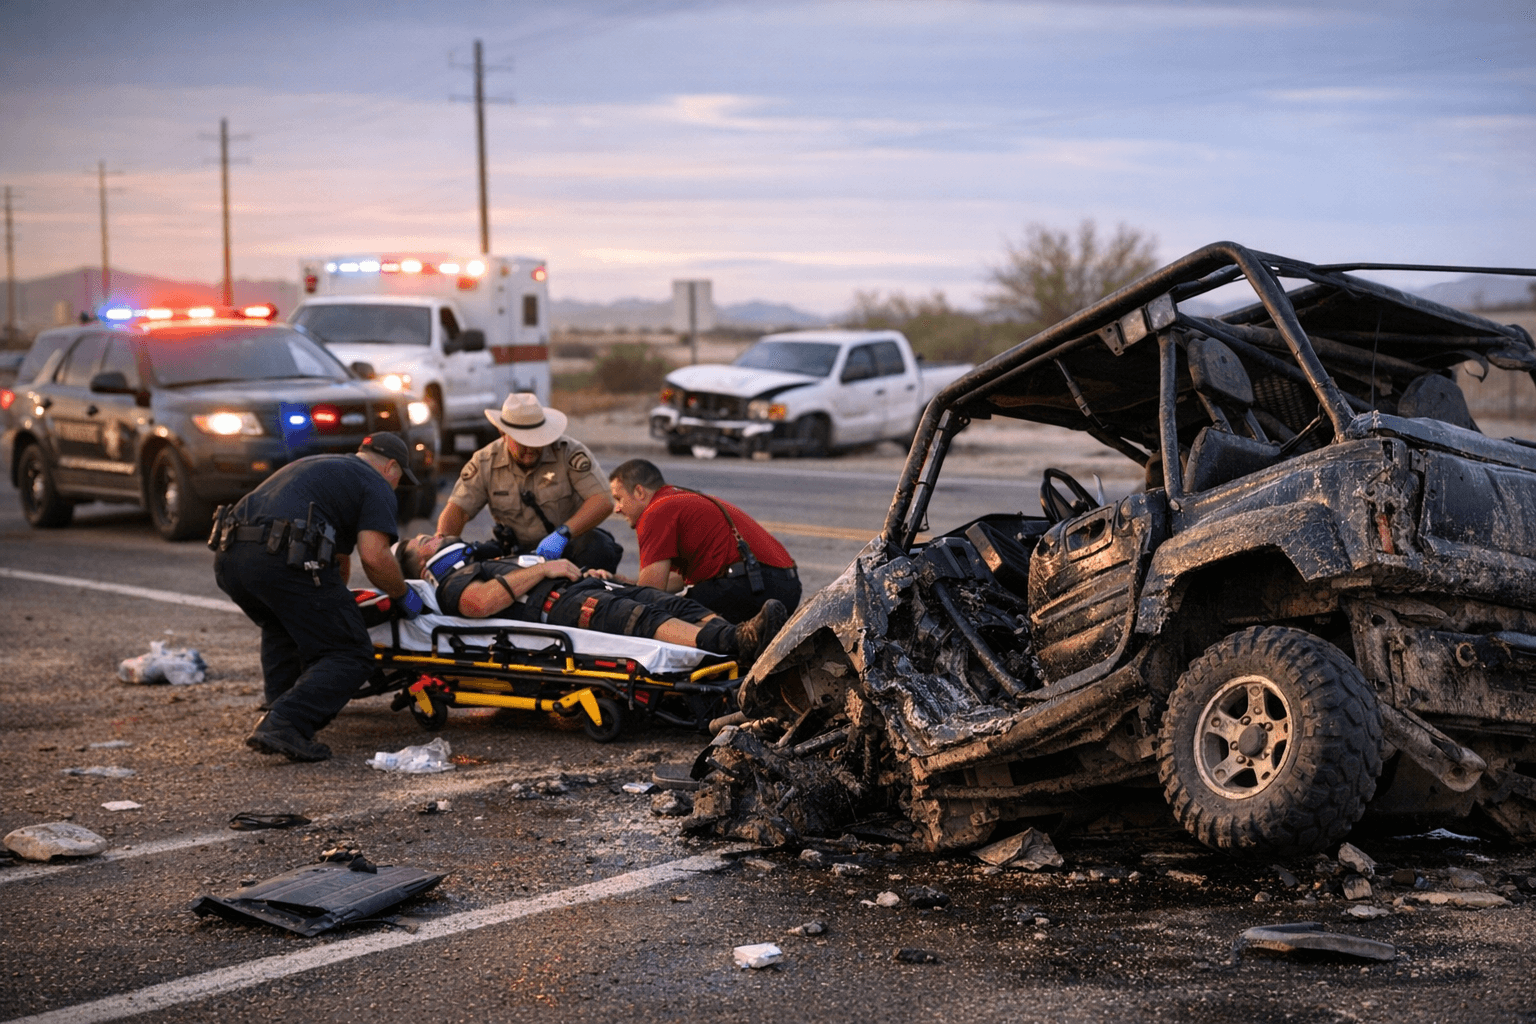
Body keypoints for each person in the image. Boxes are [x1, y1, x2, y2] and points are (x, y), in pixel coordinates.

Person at [212, 432, 425, 762]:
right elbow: (375, 557)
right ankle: (286, 723)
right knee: (350, 653)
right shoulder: (376, 483)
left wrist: (334, 607)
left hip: (231, 558)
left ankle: (280, 705)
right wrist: (402, 593)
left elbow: (338, 563)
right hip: (281, 559)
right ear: (391, 467)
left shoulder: (323, 466)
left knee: (282, 622)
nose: (397, 487)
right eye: (400, 480)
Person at [394, 535, 787, 665]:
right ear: (424, 563)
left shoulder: (485, 561)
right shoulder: (451, 581)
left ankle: (739, 636)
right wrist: (544, 570)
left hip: (578, 589)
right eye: (423, 541)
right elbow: (478, 604)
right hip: (556, 608)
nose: (435, 535)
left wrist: (597, 576)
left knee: (670, 602)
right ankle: (731, 644)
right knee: (640, 617)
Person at [435, 393, 622, 571]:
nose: (531, 448)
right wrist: (441, 550)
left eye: (537, 440)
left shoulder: (569, 453)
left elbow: (602, 501)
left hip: (566, 547)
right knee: (472, 559)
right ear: (502, 433)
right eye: (523, 442)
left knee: (598, 546)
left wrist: (563, 533)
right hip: (515, 552)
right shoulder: (485, 462)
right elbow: (457, 512)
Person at [607, 459, 801, 622]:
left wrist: (608, 597)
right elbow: (674, 581)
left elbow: (650, 592)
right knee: (684, 603)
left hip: (751, 586)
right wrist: (627, 584)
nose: (616, 508)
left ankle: (738, 644)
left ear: (639, 492)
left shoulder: (655, 511)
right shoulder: (681, 498)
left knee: (662, 620)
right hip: (785, 586)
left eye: (619, 498)